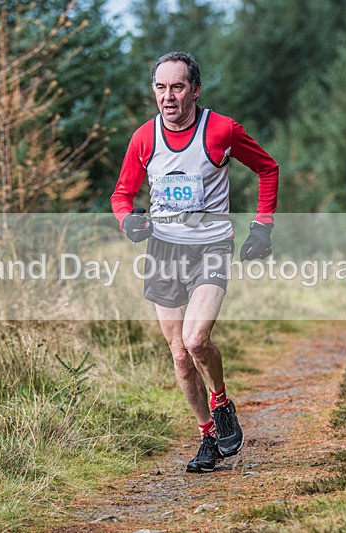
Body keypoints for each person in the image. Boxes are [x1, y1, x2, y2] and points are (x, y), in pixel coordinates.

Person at [110, 51, 279, 473]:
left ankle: (221, 402)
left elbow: (268, 168)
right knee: (179, 355)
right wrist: (128, 221)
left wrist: (262, 226)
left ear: (195, 89)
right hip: (164, 251)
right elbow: (121, 196)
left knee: (196, 340)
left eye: (177, 87)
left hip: (211, 248)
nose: (168, 97)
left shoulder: (221, 129)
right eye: (161, 88)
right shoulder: (144, 138)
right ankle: (207, 437)